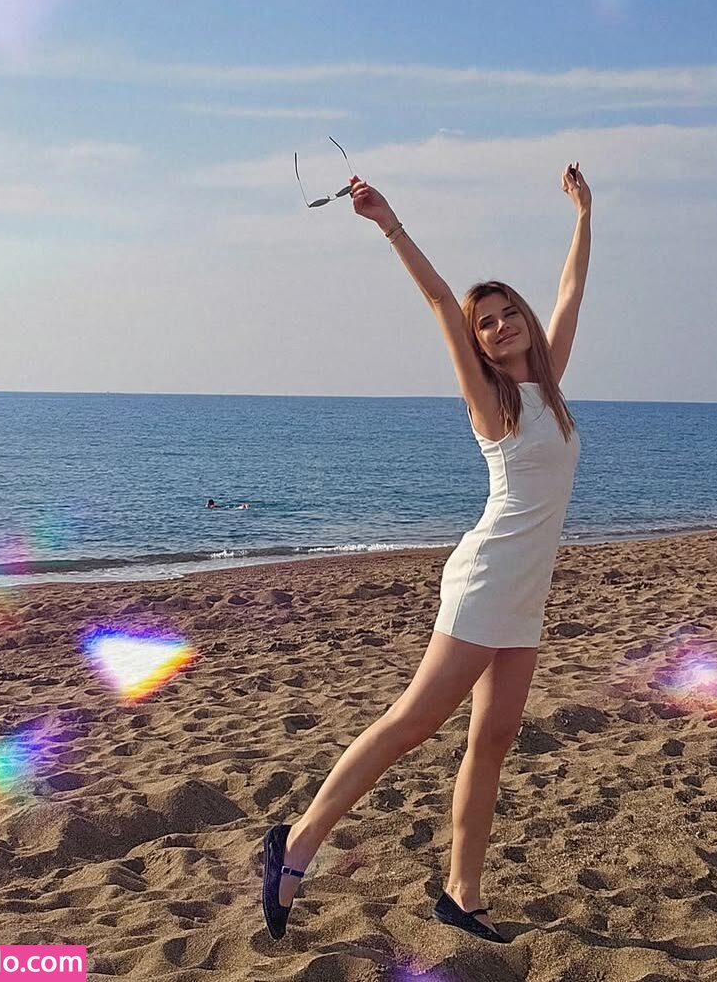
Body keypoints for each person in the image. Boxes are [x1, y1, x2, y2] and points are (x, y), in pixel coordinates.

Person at [262, 162, 592, 944]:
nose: (502, 325)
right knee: (412, 720)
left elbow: (572, 292)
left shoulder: (549, 384)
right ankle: (296, 844)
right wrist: (389, 222)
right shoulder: (492, 401)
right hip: (486, 581)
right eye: (490, 323)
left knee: (493, 739)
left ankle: (461, 893)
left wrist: (584, 215)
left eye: (509, 313)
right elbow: (442, 300)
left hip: (526, 594)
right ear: (478, 343)